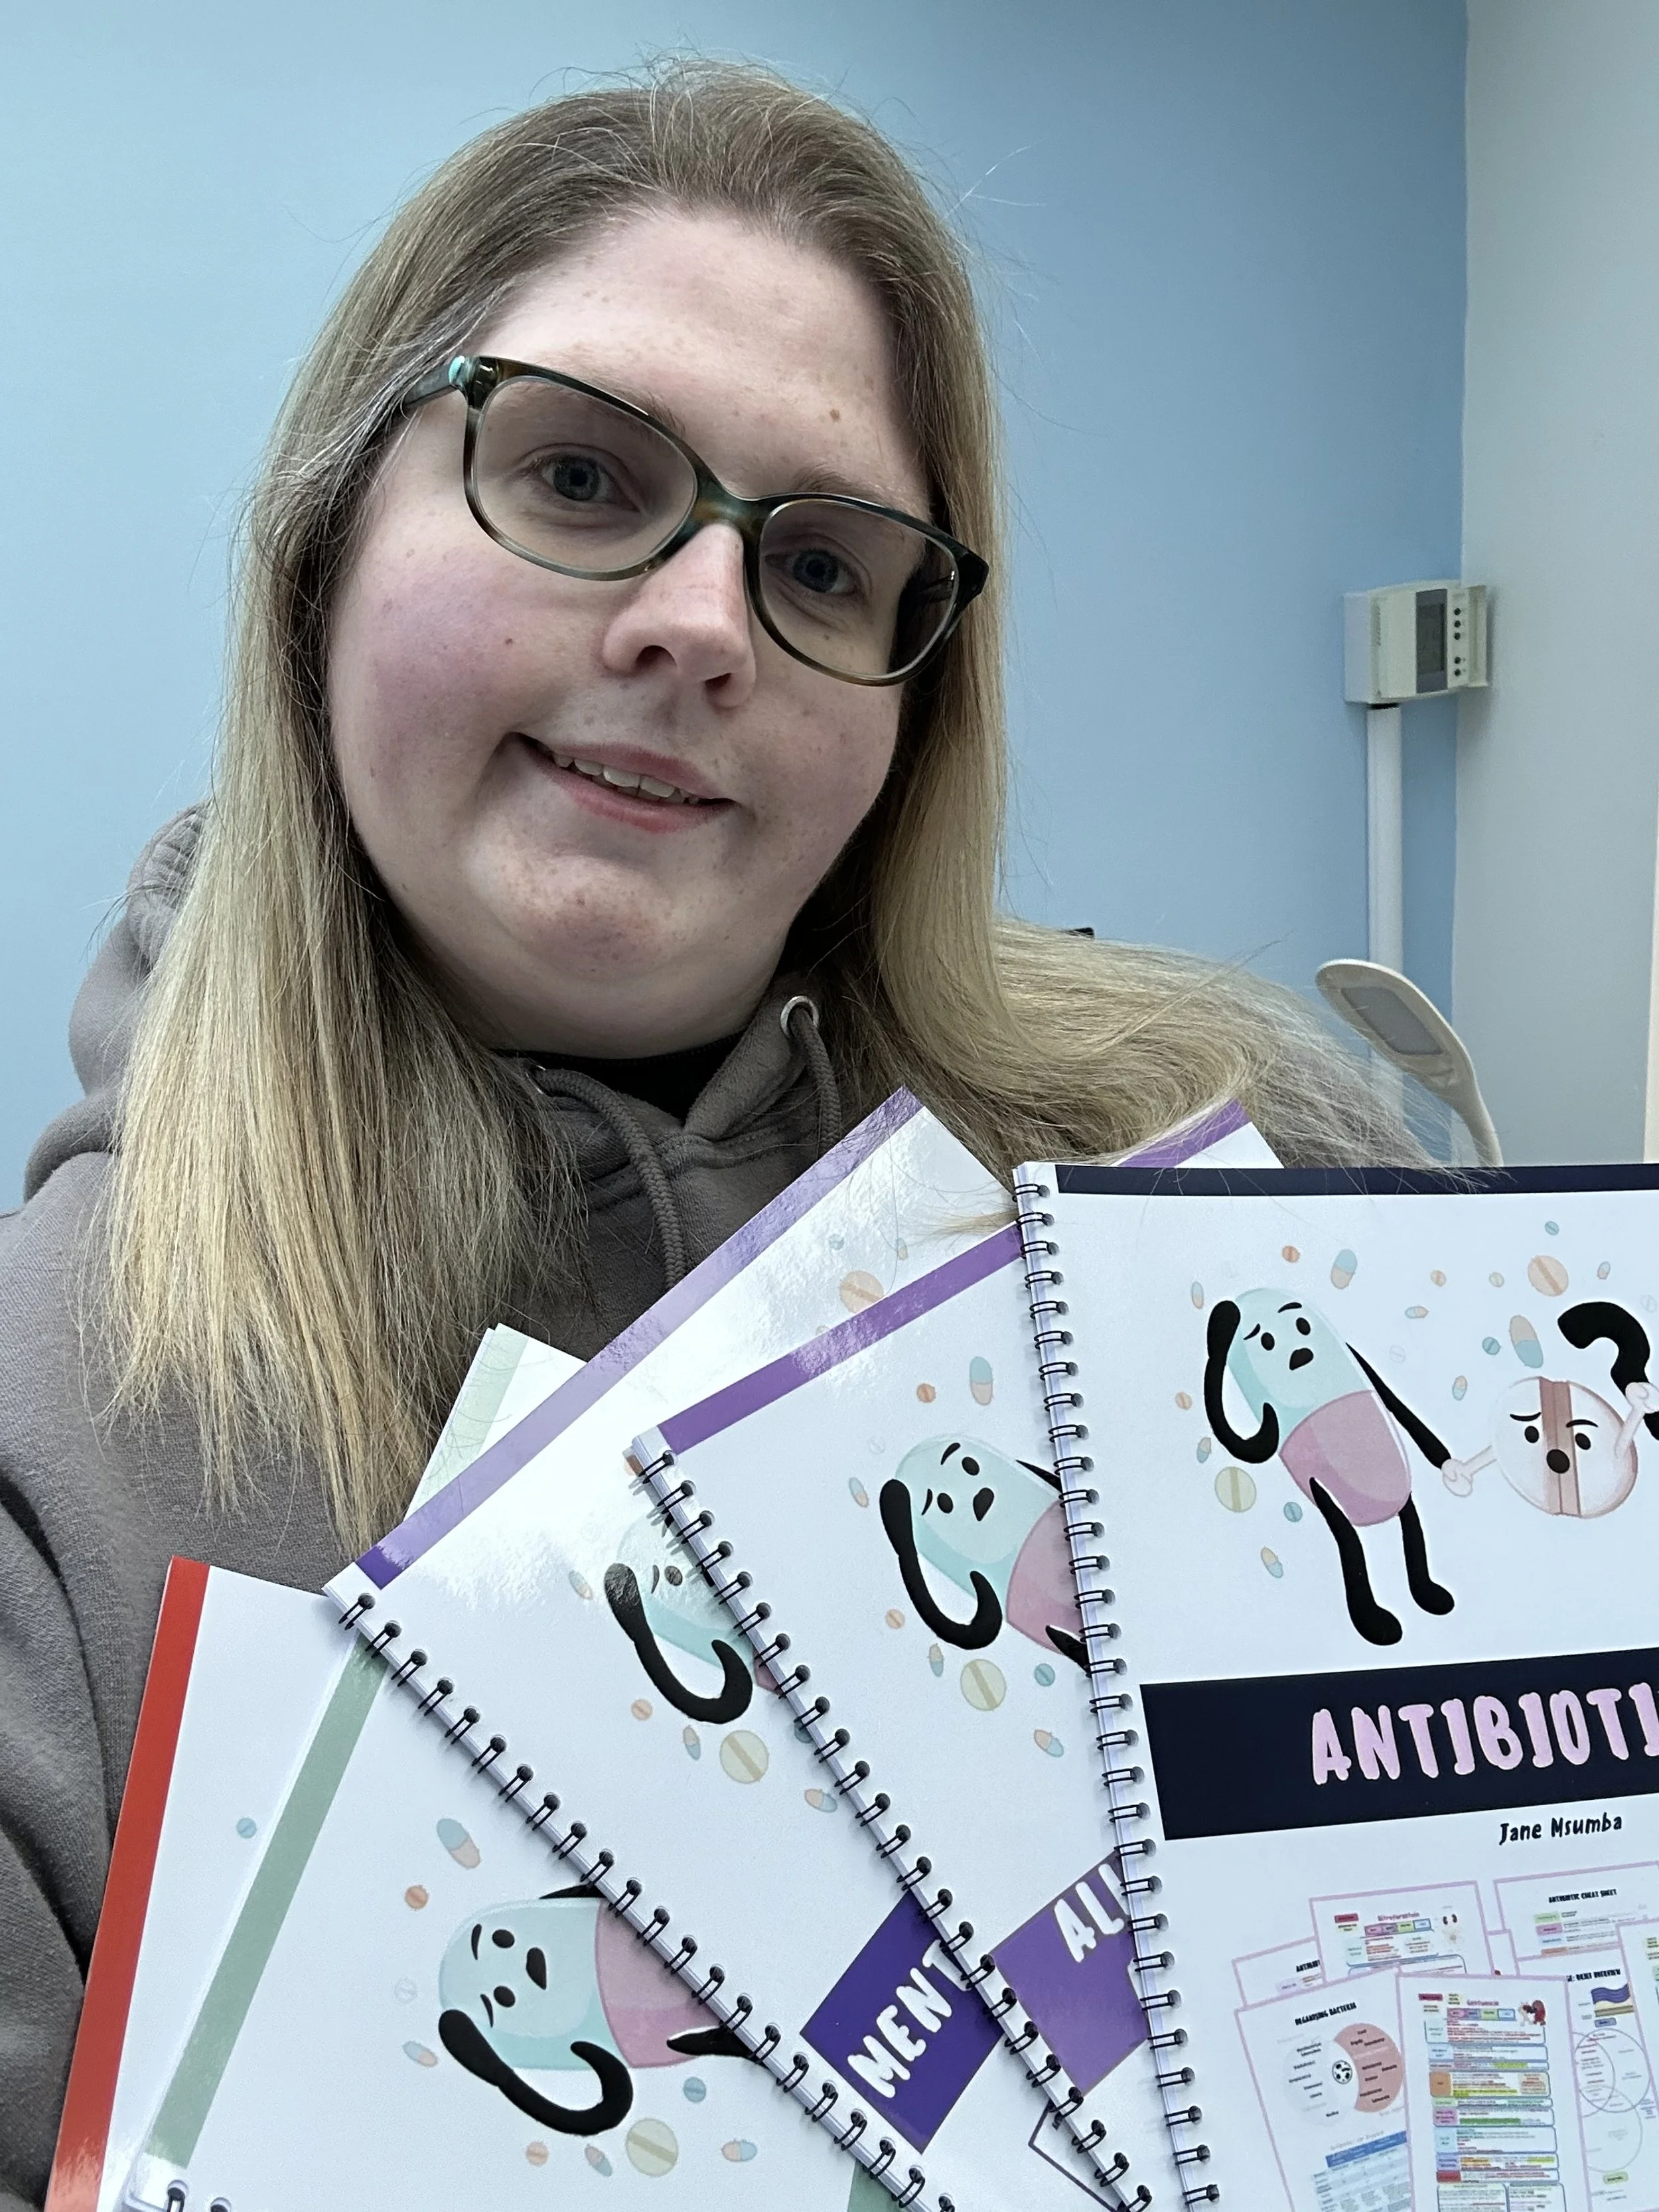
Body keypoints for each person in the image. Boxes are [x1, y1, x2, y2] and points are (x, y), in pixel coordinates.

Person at [0, 60, 1410, 2205]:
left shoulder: (1236, 1168)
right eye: (575, 475)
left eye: (828, 571)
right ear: (318, 548)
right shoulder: (55, 1439)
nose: (700, 624)